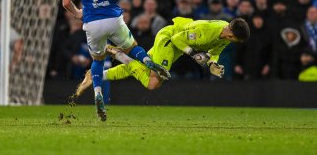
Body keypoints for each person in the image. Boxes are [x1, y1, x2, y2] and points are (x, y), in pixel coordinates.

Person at [62, 0, 170, 121]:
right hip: (113, 18)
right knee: (131, 47)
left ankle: (98, 94)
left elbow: (65, 2)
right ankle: (148, 63)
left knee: (97, 59)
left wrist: (78, 13)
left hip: (92, 22)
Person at [75, 17, 250, 95]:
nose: (232, 41)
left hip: (177, 47)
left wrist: (213, 64)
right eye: (234, 38)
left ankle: (99, 75)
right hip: (169, 40)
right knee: (153, 82)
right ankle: (121, 56)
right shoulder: (206, 31)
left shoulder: (227, 36)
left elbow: (215, 52)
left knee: (142, 69)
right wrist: (193, 54)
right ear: (231, 31)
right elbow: (176, 38)